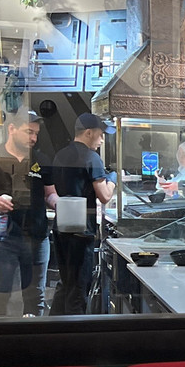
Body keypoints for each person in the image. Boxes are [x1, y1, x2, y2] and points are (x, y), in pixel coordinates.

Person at [0, 111, 58, 317]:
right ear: (11, 129)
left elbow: (50, 193)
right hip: (3, 237)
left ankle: (34, 334)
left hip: (37, 237)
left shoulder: (41, 159)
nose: (33, 138)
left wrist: (61, 204)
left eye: (36, 133)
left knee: (35, 295)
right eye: (29, 132)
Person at [50, 113, 116, 316]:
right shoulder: (92, 157)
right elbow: (105, 196)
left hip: (61, 226)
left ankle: (52, 329)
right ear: (88, 133)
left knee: (66, 284)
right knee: (78, 290)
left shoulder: (60, 155)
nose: (102, 140)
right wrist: (113, 178)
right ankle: (74, 333)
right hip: (81, 230)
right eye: (100, 134)